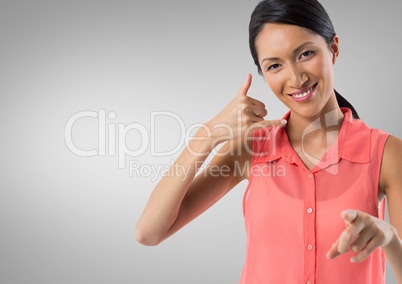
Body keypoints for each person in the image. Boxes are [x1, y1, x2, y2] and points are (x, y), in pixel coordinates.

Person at [135, 0, 402, 283]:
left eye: (306, 54)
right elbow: (149, 232)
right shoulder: (251, 149)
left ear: (334, 48)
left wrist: (390, 239)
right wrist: (208, 135)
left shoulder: (387, 153)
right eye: (275, 65)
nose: (296, 78)